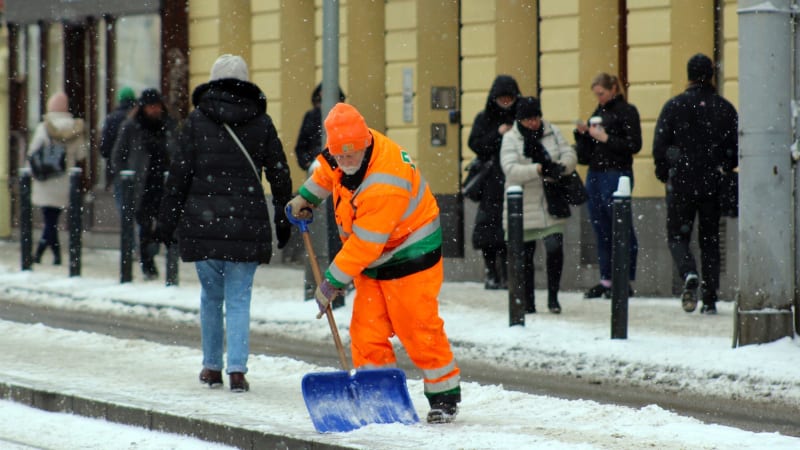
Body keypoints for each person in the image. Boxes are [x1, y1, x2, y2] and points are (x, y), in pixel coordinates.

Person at [286, 103, 461, 424]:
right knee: (366, 331)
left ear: (365, 143)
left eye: (350, 156)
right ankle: (379, 396)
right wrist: (306, 197)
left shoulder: (385, 179)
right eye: (340, 156)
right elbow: (326, 172)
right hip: (374, 258)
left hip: (412, 253)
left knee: (417, 328)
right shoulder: (341, 153)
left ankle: (444, 397)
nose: (345, 162)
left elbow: (366, 244)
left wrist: (332, 281)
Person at [156, 54, 293, 392]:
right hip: (247, 226)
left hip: (204, 226)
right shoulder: (261, 122)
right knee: (239, 299)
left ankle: (211, 367)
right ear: (246, 83)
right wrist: (283, 215)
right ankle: (237, 370)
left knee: (210, 297)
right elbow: (279, 172)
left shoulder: (197, 121)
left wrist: (166, 221)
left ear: (213, 82)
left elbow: (178, 177)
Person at [652, 53, 738, 315]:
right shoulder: (724, 108)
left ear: (688, 75)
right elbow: (734, 150)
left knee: (678, 237)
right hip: (713, 183)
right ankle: (710, 297)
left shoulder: (674, 106)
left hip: (682, 183)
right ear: (712, 75)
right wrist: (721, 166)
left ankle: (689, 272)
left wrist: (666, 171)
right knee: (710, 240)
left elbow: (660, 147)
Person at [500, 97, 577, 314]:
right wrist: (538, 170)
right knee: (525, 258)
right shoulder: (511, 139)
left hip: (551, 203)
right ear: (519, 120)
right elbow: (510, 169)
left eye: (535, 118)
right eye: (527, 119)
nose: (533, 123)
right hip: (523, 206)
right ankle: (528, 302)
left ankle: (553, 297)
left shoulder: (552, 131)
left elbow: (569, 153)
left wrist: (561, 167)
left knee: (554, 248)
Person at [574, 73, 641, 299]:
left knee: (619, 226)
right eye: (596, 94)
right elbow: (585, 156)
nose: (599, 98)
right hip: (595, 172)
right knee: (600, 227)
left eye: (601, 93)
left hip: (616, 172)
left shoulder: (626, 111)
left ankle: (624, 279)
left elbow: (633, 144)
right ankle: (607, 279)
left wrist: (605, 138)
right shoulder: (598, 113)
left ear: (613, 89)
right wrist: (582, 136)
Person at [111, 88, 176, 280]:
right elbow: (118, 155)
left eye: (157, 106)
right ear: (143, 107)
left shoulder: (169, 125)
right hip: (142, 185)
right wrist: (127, 178)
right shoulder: (132, 126)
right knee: (145, 225)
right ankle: (148, 264)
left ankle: (151, 256)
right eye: (150, 106)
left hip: (164, 183)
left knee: (164, 224)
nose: (154, 110)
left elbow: (178, 150)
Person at [468, 75, 521, 289]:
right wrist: (497, 134)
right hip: (492, 182)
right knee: (489, 230)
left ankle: (510, 274)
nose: (506, 103)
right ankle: (491, 272)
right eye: (502, 99)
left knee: (512, 229)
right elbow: (475, 143)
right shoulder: (485, 118)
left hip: (515, 178)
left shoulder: (521, 116)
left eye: (509, 99)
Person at [27, 92, 88, 265]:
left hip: (45, 178)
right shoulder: (75, 128)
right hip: (65, 179)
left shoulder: (44, 127)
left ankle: (40, 253)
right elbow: (81, 154)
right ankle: (54, 255)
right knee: (52, 219)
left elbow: (32, 152)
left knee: (49, 220)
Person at [99, 86, 137, 209]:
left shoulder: (111, 118)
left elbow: (104, 148)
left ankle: (127, 226)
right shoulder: (137, 117)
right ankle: (135, 226)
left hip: (117, 167)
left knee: (122, 203)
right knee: (136, 202)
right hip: (136, 166)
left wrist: (111, 157)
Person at [294, 82, 346, 171]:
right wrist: (309, 163)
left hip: (339, 168)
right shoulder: (311, 116)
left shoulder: (344, 116)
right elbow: (301, 146)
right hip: (318, 167)